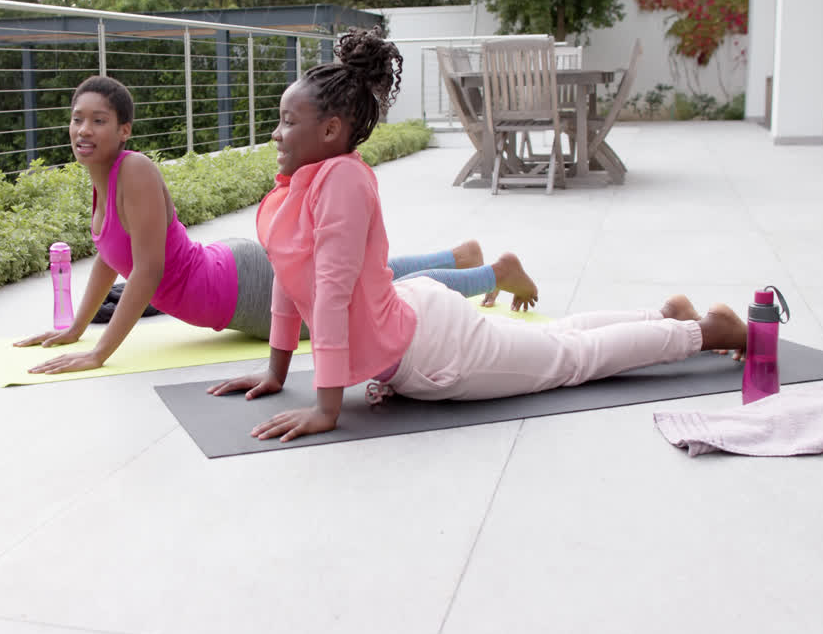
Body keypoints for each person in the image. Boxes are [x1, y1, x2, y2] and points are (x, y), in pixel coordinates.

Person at [206, 26, 749, 443]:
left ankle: (705, 332)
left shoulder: (342, 179)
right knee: (554, 341)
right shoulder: (300, 185)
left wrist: (326, 408)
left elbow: (331, 294)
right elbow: (288, 280)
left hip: (431, 350)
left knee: (568, 361)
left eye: (285, 120)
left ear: (330, 130)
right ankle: (663, 316)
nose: (276, 132)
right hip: (412, 325)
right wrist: (276, 372)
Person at [15, 75, 528, 374]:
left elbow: (145, 272)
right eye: (78, 118)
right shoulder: (102, 179)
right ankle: (456, 257)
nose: (84, 129)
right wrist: (74, 330)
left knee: (371, 301)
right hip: (234, 275)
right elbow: (112, 256)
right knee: (362, 275)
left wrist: (99, 353)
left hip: (242, 289)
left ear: (123, 130)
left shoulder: (136, 170)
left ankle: (493, 275)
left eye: (99, 120)